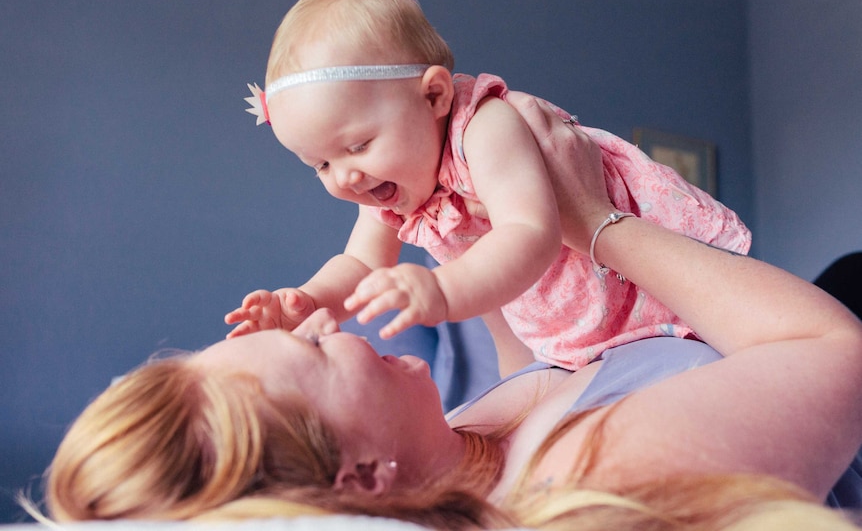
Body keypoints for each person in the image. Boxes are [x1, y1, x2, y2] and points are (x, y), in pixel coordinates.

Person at [36, 94, 862, 530]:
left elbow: (541, 376)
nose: (329, 324)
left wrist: (470, 233)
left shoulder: (451, 448)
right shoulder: (600, 484)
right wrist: (591, 220)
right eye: (318, 355)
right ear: (360, 476)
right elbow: (833, 349)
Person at [227, 0, 751, 372]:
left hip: (635, 279)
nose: (345, 177)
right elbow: (360, 262)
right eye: (320, 164)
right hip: (552, 325)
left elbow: (531, 232)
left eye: (358, 145)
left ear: (433, 95)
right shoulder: (387, 191)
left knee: (709, 348)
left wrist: (441, 291)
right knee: (525, 393)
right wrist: (312, 301)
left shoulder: (484, 126)